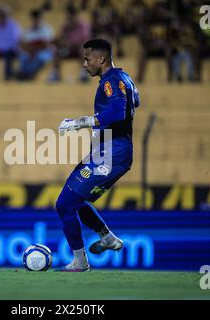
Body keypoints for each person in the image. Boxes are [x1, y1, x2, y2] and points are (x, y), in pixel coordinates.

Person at [56, 38, 140, 272]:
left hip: (113, 152)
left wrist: (79, 123)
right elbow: (136, 101)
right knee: (73, 200)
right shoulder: (124, 78)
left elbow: (116, 111)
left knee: (64, 204)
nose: (84, 64)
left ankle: (80, 262)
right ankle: (107, 238)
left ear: (101, 59)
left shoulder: (111, 81)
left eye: (87, 58)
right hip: (109, 151)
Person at [48, 5, 91, 82]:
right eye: (68, 17)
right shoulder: (65, 27)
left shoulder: (83, 26)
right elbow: (59, 39)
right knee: (56, 50)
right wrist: (57, 42)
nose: (69, 19)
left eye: (71, 17)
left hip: (79, 51)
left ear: (75, 16)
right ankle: (55, 74)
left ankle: (84, 74)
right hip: (68, 51)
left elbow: (85, 41)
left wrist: (71, 45)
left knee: (82, 48)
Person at [16, 9, 54, 81]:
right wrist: (30, 49)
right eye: (34, 18)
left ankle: (28, 74)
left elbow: (46, 44)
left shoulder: (47, 29)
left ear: (40, 19)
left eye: (37, 18)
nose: (35, 20)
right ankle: (25, 73)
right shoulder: (28, 30)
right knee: (23, 57)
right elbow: (23, 44)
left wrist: (33, 48)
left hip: (44, 52)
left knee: (41, 58)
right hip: (30, 52)